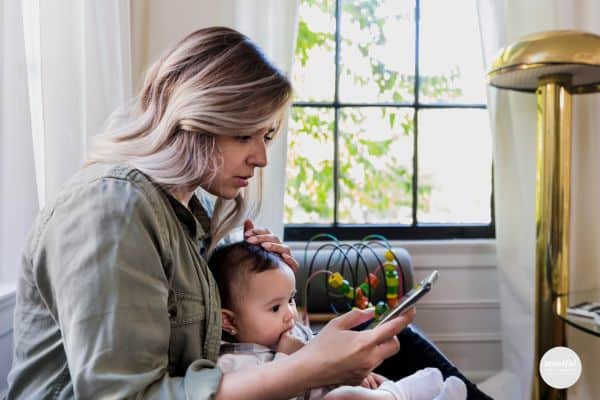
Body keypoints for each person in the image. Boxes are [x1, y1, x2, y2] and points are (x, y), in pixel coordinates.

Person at [6, 26, 491, 400]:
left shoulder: (179, 213)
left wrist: (247, 277)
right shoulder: (110, 209)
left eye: (266, 138)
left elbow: (206, 349)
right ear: (193, 121)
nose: (260, 158)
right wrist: (306, 369)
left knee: (383, 338)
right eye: (245, 135)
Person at [209, 241, 468, 400]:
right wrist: (287, 358)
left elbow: (328, 362)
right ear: (229, 322)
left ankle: (401, 392)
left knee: (371, 382)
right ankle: (399, 394)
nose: (290, 313)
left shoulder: (292, 332)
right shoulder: (232, 363)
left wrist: (355, 372)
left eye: (290, 299)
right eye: (275, 308)